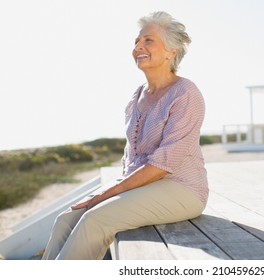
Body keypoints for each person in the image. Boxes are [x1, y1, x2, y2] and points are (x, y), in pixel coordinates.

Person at [42, 11, 208, 260]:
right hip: (141, 183)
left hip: (182, 188)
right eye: (136, 42)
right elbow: (131, 152)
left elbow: (164, 164)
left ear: (171, 51)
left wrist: (107, 194)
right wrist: (113, 188)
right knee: (66, 219)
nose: (138, 47)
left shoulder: (186, 94)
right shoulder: (137, 95)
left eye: (148, 40)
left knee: (95, 219)